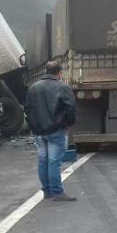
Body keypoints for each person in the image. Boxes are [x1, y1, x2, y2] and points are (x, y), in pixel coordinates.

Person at [24, 60, 77, 201]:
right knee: (54, 162)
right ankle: (58, 192)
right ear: (59, 73)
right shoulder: (62, 87)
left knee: (43, 161)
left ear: (46, 71)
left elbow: (27, 109)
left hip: (39, 132)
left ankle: (47, 191)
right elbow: (70, 108)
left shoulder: (33, 88)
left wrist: (33, 126)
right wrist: (68, 124)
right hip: (56, 130)